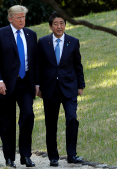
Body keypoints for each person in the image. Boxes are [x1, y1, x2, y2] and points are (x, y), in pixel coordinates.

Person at [0, 5, 39, 168]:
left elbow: (35, 62)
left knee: (28, 115)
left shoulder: (31, 35)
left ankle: (25, 156)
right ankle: (9, 158)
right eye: (18, 17)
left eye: (23, 17)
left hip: (25, 83)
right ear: (10, 18)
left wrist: (37, 83)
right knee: (7, 122)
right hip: (5, 85)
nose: (22, 20)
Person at [37, 11, 85, 167]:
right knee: (51, 124)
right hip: (49, 89)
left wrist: (80, 85)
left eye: (62, 23)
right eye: (56, 24)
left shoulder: (73, 42)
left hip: (69, 88)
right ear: (50, 26)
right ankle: (53, 157)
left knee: (71, 118)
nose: (59, 26)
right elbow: (39, 67)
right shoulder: (43, 42)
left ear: (65, 25)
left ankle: (72, 155)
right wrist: (38, 85)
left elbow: (78, 65)